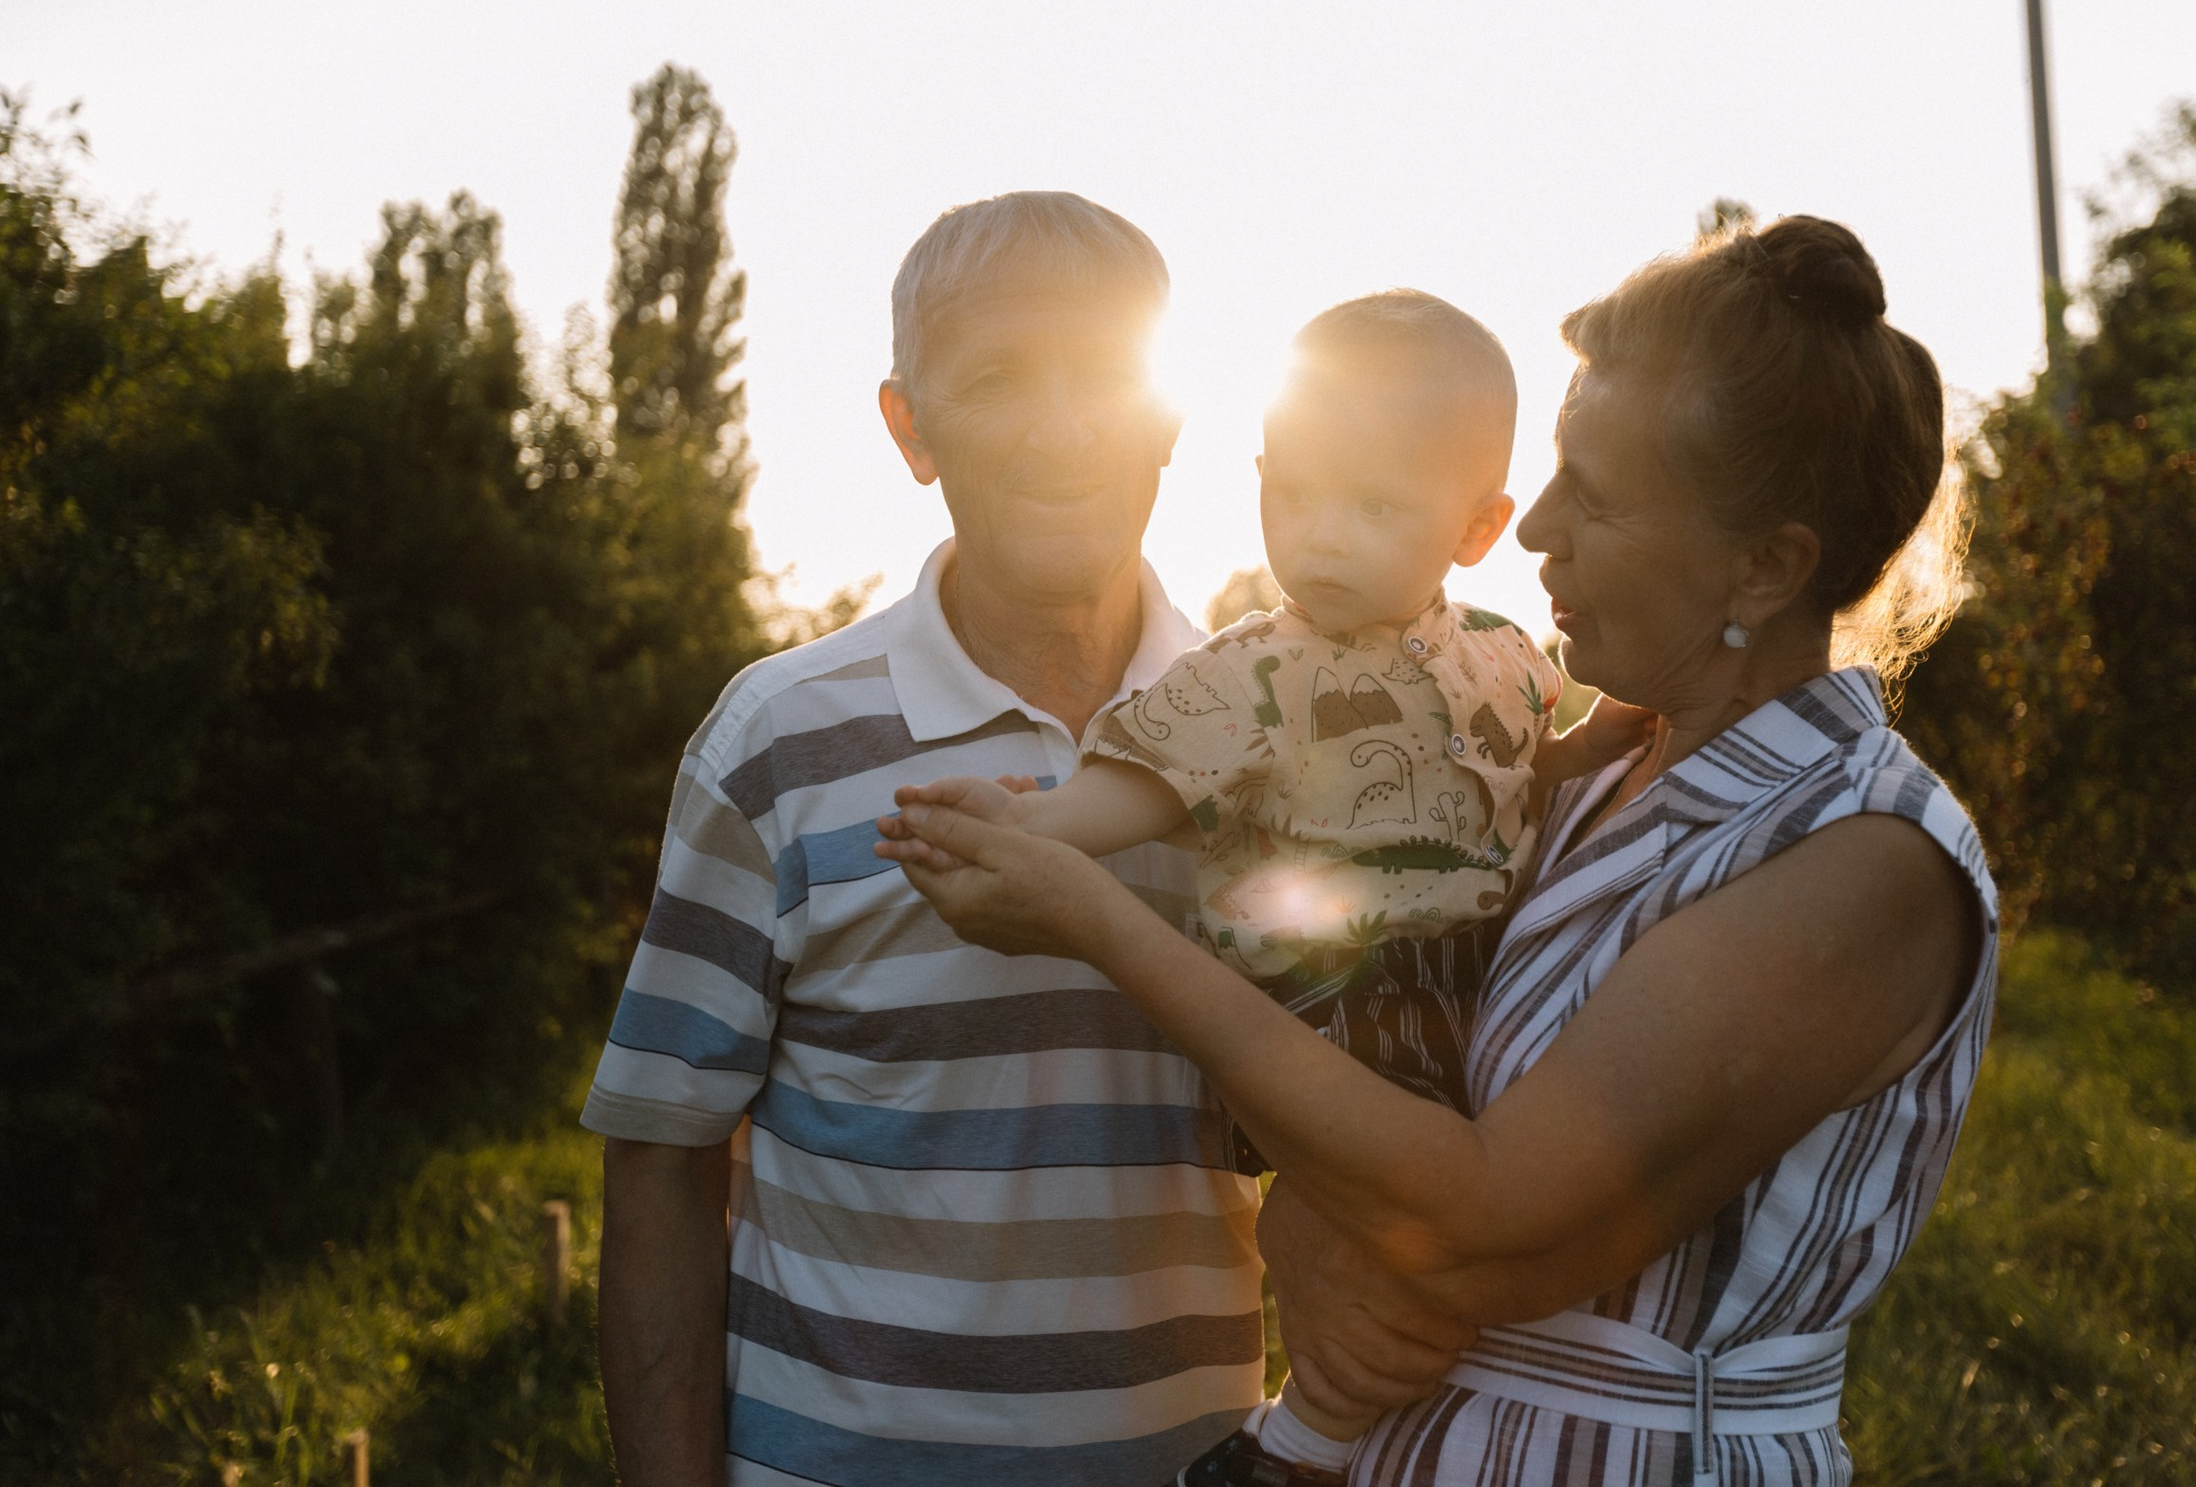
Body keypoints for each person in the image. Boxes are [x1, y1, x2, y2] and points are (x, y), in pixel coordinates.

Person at [877, 214, 1997, 1486]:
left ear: (1763, 568)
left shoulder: (1859, 860)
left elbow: (1471, 1214)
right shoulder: (1584, 772)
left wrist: (1098, 919)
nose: (1534, 533)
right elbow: (1390, 1052)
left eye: (1599, 496)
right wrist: (1301, 1219)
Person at [878, 291, 1640, 1472]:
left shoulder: (1503, 653)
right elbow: (1144, 785)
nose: (1322, 536)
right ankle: (1295, 1447)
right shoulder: (1251, 671)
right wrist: (1031, 830)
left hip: (1474, 991)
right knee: (1407, 1240)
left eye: (1374, 506)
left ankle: (1378, 1434)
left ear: (1477, 526)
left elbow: (1532, 765)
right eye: (1294, 495)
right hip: (1328, 1002)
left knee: (1501, 1223)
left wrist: (1620, 736)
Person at [583, 192, 1267, 1487]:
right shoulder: (775, 736)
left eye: (1105, 376)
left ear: (1172, 408)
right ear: (911, 427)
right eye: (999, 376)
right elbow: (662, 1157)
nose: (1063, 427)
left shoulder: (1270, 734)